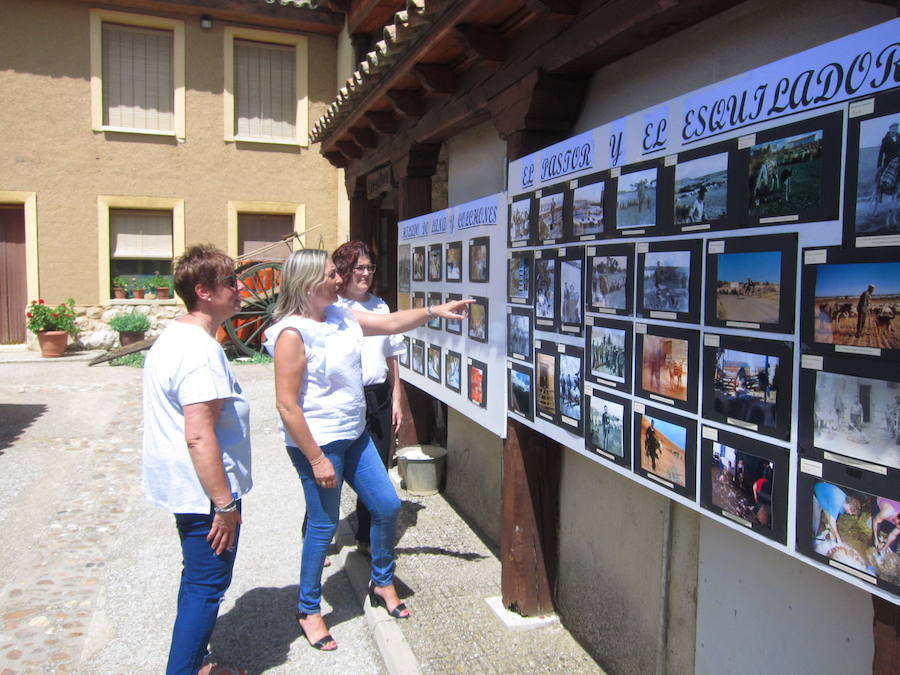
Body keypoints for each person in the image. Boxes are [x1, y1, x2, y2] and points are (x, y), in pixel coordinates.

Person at [264, 249, 471, 651]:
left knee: (388, 506)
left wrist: (435, 311)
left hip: (354, 434)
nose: (338, 279)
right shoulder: (292, 334)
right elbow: (286, 406)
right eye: (331, 275)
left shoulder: (341, 315)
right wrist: (317, 459)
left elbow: (391, 322)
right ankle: (308, 609)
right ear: (308, 284)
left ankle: (381, 579)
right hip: (318, 443)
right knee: (323, 526)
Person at [142, 245, 250, 675]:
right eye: (231, 282)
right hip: (205, 492)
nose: (240, 289)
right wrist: (224, 505)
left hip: (188, 486)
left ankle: (196, 663)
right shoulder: (199, 351)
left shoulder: (178, 335)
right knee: (206, 586)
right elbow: (200, 434)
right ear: (204, 291)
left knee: (197, 581)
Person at [332, 240, 409, 554]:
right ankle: (319, 535)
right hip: (343, 396)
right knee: (331, 468)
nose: (365, 273)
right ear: (344, 270)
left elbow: (392, 355)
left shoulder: (380, 307)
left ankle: (366, 537)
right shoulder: (331, 308)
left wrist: (397, 397)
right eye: (358, 268)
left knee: (375, 467)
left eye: (369, 267)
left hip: (378, 396)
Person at [813, 481, 862, 546]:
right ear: (849, 506)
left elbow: (831, 516)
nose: (850, 514)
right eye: (851, 512)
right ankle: (810, 541)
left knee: (829, 524)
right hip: (816, 493)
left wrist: (833, 534)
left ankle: (829, 537)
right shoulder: (837, 501)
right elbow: (832, 521)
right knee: (815, 522)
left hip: (824, 497)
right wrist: (838, 539)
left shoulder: (844, 502)